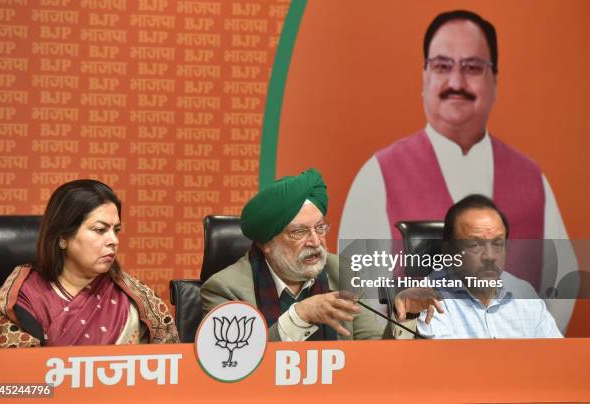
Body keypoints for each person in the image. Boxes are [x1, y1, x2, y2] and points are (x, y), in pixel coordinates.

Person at [339, 9, 575, 330]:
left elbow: (560, 288)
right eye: (442, 66)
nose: (456, 82)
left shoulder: (533, 180)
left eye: (472, 67)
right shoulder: (376, 176)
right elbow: (362, 297)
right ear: (424, 76)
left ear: (495, 79)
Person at [201, 168, 442, 341]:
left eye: (320, 228)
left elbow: (373, 354)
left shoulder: (343, 271)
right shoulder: (225, 289)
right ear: (267, 244)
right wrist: (300, 315)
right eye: (299, 232)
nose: (316, 242)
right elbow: (233, 365)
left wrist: (405, 317)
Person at [0, 179, 179, 347]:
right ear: (62, 237)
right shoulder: (21, 298)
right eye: (100, 230)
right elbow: (16, 381)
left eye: (116, 230)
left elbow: (171, 366)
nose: (114, 240)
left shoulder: (135, 297)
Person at [416, 194, 562, 338]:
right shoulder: (428, 297)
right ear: (449, 251)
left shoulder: (524, 292)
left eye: (498, 243)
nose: (490, 257)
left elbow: (559, 357)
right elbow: (442, 360)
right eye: (474, 244)